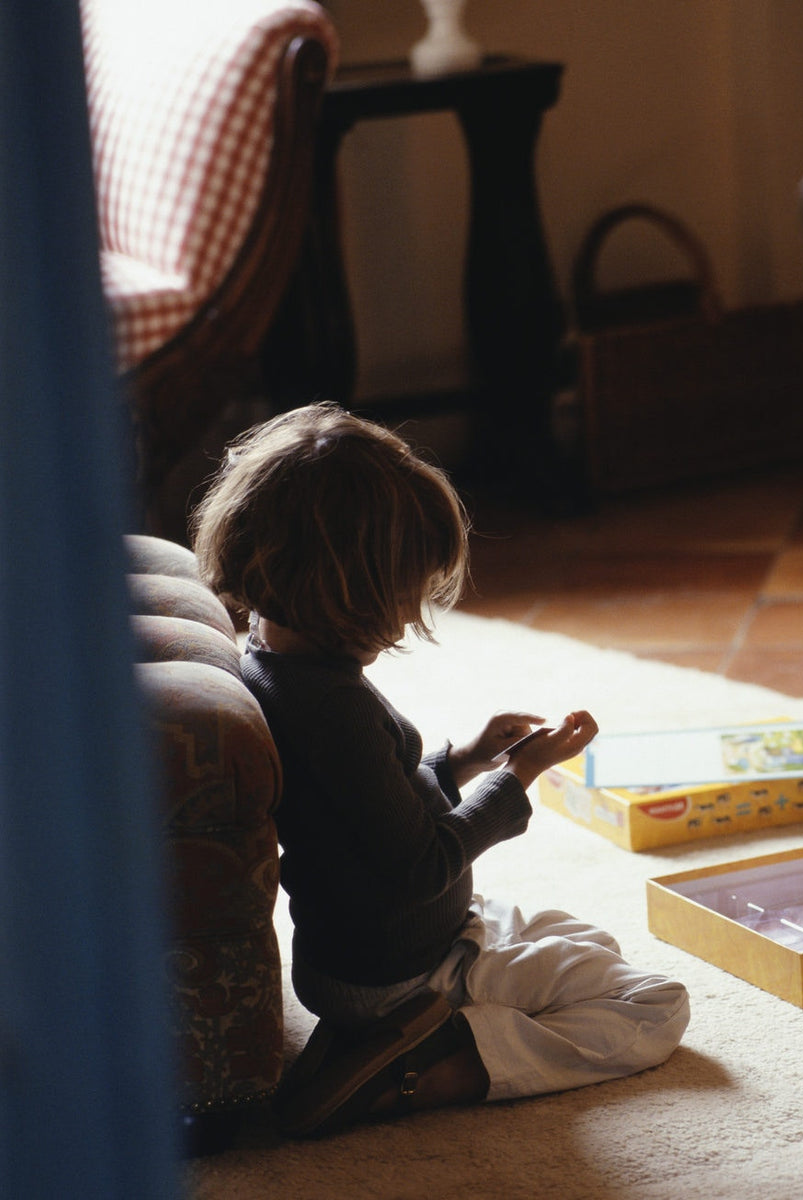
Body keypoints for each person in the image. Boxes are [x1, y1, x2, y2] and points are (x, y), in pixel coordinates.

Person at [189, 403, 689, 1138]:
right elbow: (419, 867)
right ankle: (435, 1065)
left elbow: (367, 814)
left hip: (364, 952)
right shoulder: (333, 707)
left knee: (578, 939)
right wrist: (517, 777)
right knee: (653, 1003)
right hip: (397, 971)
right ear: (345, 588)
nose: (407, 617)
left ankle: (417, 1027)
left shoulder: (277, 667)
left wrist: (466, 759)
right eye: (404, 595)